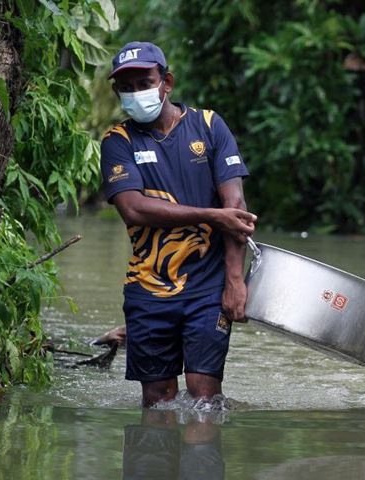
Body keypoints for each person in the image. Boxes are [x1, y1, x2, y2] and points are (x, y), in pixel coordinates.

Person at [100, 41, 256, 407]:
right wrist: (210, 215)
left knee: (204, 398)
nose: (136, 93)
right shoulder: (117, 142)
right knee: (158, 402)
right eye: (127, 87)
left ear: (166, 82)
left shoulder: (209, 126)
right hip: (147, 289)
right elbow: (134, 209)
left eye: (144, 82)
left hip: (207, 289)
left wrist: (235, 281)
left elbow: (235, 206)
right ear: (116, 91)